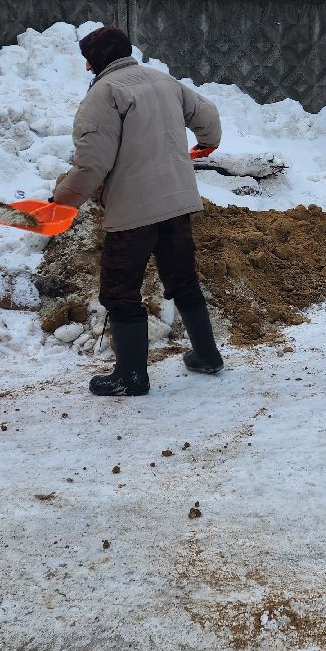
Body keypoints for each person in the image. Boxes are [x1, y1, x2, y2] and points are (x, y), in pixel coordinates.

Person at [52, 26, 224, 397]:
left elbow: (91, 166)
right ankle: (207, 356)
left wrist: (60, 204)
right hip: (177, 203)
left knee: (119, 290)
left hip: (133, 213)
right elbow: (206, 114)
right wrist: (207, 144)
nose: (85, 67)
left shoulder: (104, 94)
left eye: (87, 59)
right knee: (183, 280)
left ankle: (130, 377)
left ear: (96, 60)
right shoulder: (164, 81)